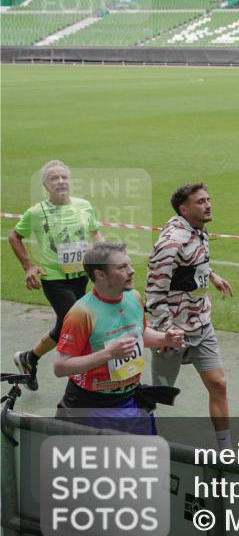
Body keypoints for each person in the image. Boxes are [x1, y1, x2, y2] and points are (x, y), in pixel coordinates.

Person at [52, 242, 184, 434]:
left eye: (129, 265)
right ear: (100, 275)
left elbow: (140, 334)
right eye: (122, 267)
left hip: (131, 400)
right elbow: (60, 367)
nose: (131, 271)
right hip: (91, 407)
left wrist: (165, 339)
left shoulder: (134, 297)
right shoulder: (81, 313)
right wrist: (108, 354)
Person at [146, 183, 234, 451]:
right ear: (184, 209)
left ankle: (225, 449)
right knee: (159, 395)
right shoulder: (171, 242)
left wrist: (212, 275)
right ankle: (140, 440)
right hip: (174, 331)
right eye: (200, 202)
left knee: (218, 384)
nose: (208, 205)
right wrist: (165, 332)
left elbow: (194, 263)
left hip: (201, 323)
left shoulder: (198, 231)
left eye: (208, 199)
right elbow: (154, 291)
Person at [9, 160, 103, 391]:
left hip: (81, 277)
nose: (60, 181)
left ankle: (29, 358)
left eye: (64, 177)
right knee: (80, 323)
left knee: (64, 326)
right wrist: (28, 267)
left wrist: (104, 252)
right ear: (45, 184)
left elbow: (95, 233)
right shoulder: (36, 212)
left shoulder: (84, 206)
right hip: (55, 280)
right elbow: (14, 236)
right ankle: (86, 379)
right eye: (54, 178)